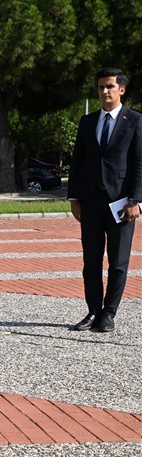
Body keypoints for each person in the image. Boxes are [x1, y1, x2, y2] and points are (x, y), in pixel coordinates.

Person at [68, 68, 141, 333]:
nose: (104, 91)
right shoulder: (88, 122)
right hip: (90, 201)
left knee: (118, 263)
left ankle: (109, 314)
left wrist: (136, 200)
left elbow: (139, 163)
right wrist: (74, 197)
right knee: (91, 261)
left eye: (109, 86)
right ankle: (93, 311)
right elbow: (78, 161)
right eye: (100, 87)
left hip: (121, 204)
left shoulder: (134, 120)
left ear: (121, 89)